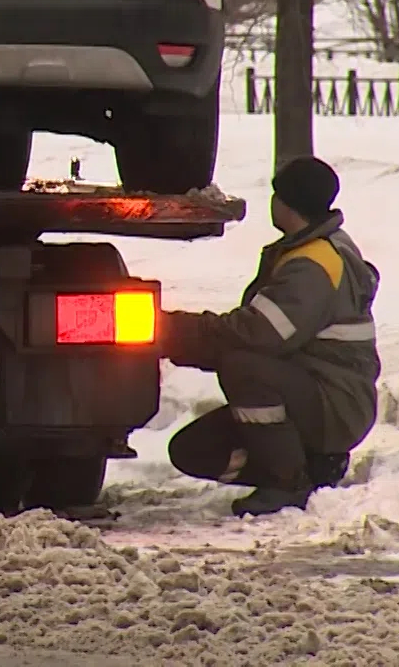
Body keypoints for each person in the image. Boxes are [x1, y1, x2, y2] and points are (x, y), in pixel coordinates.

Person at [160, 156, 381, 517]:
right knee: (193, 450)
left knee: (243, 366)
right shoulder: (315, 248)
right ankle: (312, 469)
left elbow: (258, 333)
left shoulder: (313, 264)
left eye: (275, 195)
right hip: (317, 391)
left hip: (335, 403)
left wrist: (175, 332)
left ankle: (286, 482)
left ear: (286, 202)